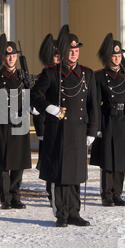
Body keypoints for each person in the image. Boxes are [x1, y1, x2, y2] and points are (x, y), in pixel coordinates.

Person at [31, 25, 98, 227]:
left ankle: (74, 213)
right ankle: (61, 213)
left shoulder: (87, 74)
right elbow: (35, 95)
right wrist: (48, 108)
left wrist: (92, 130)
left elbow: (93, 104)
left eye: (77, 50)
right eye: (70, 50)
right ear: (63, 52)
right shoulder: (51, 73)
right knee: (59, 173)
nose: (74, 54)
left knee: (76, 173)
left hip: (78, 131)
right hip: (58, 131)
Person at [90, 33, 125, 207]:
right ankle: (107, 195)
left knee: (122, 159)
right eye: (114, 56)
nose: (117, 59)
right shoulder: (99, 76)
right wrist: (96, 126)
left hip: (124, 120)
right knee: (108, 160)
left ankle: (117, 194)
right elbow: (95, 103)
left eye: (119, 56)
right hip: (108, 120)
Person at [0, 34, 32, 210]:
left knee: (18, 162)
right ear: (3, 57)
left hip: (20, 122)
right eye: (7, 55)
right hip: (3, 123)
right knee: (5, 164)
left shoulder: (23, 76)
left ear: (17, 57)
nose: (11, 58)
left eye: (13, 55)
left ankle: (15, 196)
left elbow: (31, 95)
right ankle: (5, 198)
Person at [34, 32, 62, 207]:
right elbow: (38, 104)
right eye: (56, 57)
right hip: (47, 124)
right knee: (49, 161)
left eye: (60, 56)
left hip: (62, 125)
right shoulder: (45, 75)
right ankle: (50, 191)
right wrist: (40, 130)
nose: (58, 60)